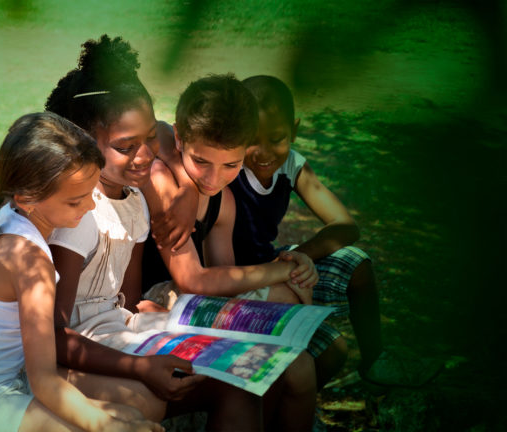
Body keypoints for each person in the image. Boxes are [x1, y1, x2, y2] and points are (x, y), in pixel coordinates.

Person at [45, 35, 289, 431]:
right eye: (127, 146)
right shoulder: (77, 213)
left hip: (117, 333)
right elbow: (55, 334)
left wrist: (148, 314)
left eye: (147, 141)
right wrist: (139, 366)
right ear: (83, 141)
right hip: (76, 351)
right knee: (149, 402)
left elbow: (125, 300)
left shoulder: (136, 203)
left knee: (245, 378)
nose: (144, 156)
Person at [0, 112, 162, 432]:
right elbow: (45, 383)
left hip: (7, 381)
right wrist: (104, 425)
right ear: (28, 199)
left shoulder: (12, 214)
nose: (91, 208)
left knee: (139, 409)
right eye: (77, 201)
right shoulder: (28, 260)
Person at [141, 74, 329, 430]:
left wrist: (289, 267)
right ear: (180, 138)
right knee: (283, 302)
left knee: (299, 365)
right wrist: (280, 271)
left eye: (231, 165)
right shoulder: (163, 180)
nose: (213, 178)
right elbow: (191, 279)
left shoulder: (222, 201)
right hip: (157, 297)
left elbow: (226, 276)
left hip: (192, 302)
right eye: (202, 162)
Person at [230, 75, 439, 387]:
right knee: (332, 351)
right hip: (237, 280)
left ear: (294, 131)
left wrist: (296, 258)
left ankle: (375, 362)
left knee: (358, 265)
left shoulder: (292, 166)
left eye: (276, 139)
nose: (263, 152)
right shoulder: (227, 167)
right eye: (251, 140)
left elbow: (345, 226)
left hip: (276, 266)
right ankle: (284, 407)